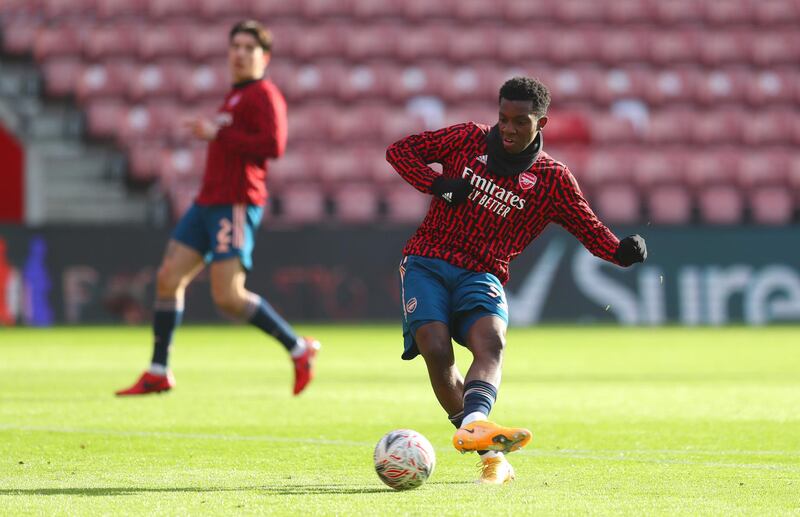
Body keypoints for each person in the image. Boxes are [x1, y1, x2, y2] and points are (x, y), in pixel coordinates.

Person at [386, 76, 647, 484]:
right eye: (503, 118)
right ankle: (487, 446)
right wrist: (437, 185)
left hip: (483, 271)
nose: (507, 128)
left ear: (541, 123)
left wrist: (619, 251)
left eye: (519, 121)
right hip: (428, 259)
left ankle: (474, 426)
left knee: (492, 342)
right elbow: (400, 151)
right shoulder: (466, 139)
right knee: (435, 349)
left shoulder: (552, 180)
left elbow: (588, 227)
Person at [116, 20, 319, 397]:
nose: (240, 53)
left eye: (248, 47)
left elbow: (274, 145)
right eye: (235, 46)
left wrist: (217, 133)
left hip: (235, 202)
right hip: (206, 202)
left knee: (227, 296)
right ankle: (158, 369)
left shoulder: (264, 94)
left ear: (264, 56)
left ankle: (298, 347)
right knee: (167, 278)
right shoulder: (234, 96)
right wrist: (215, 131)